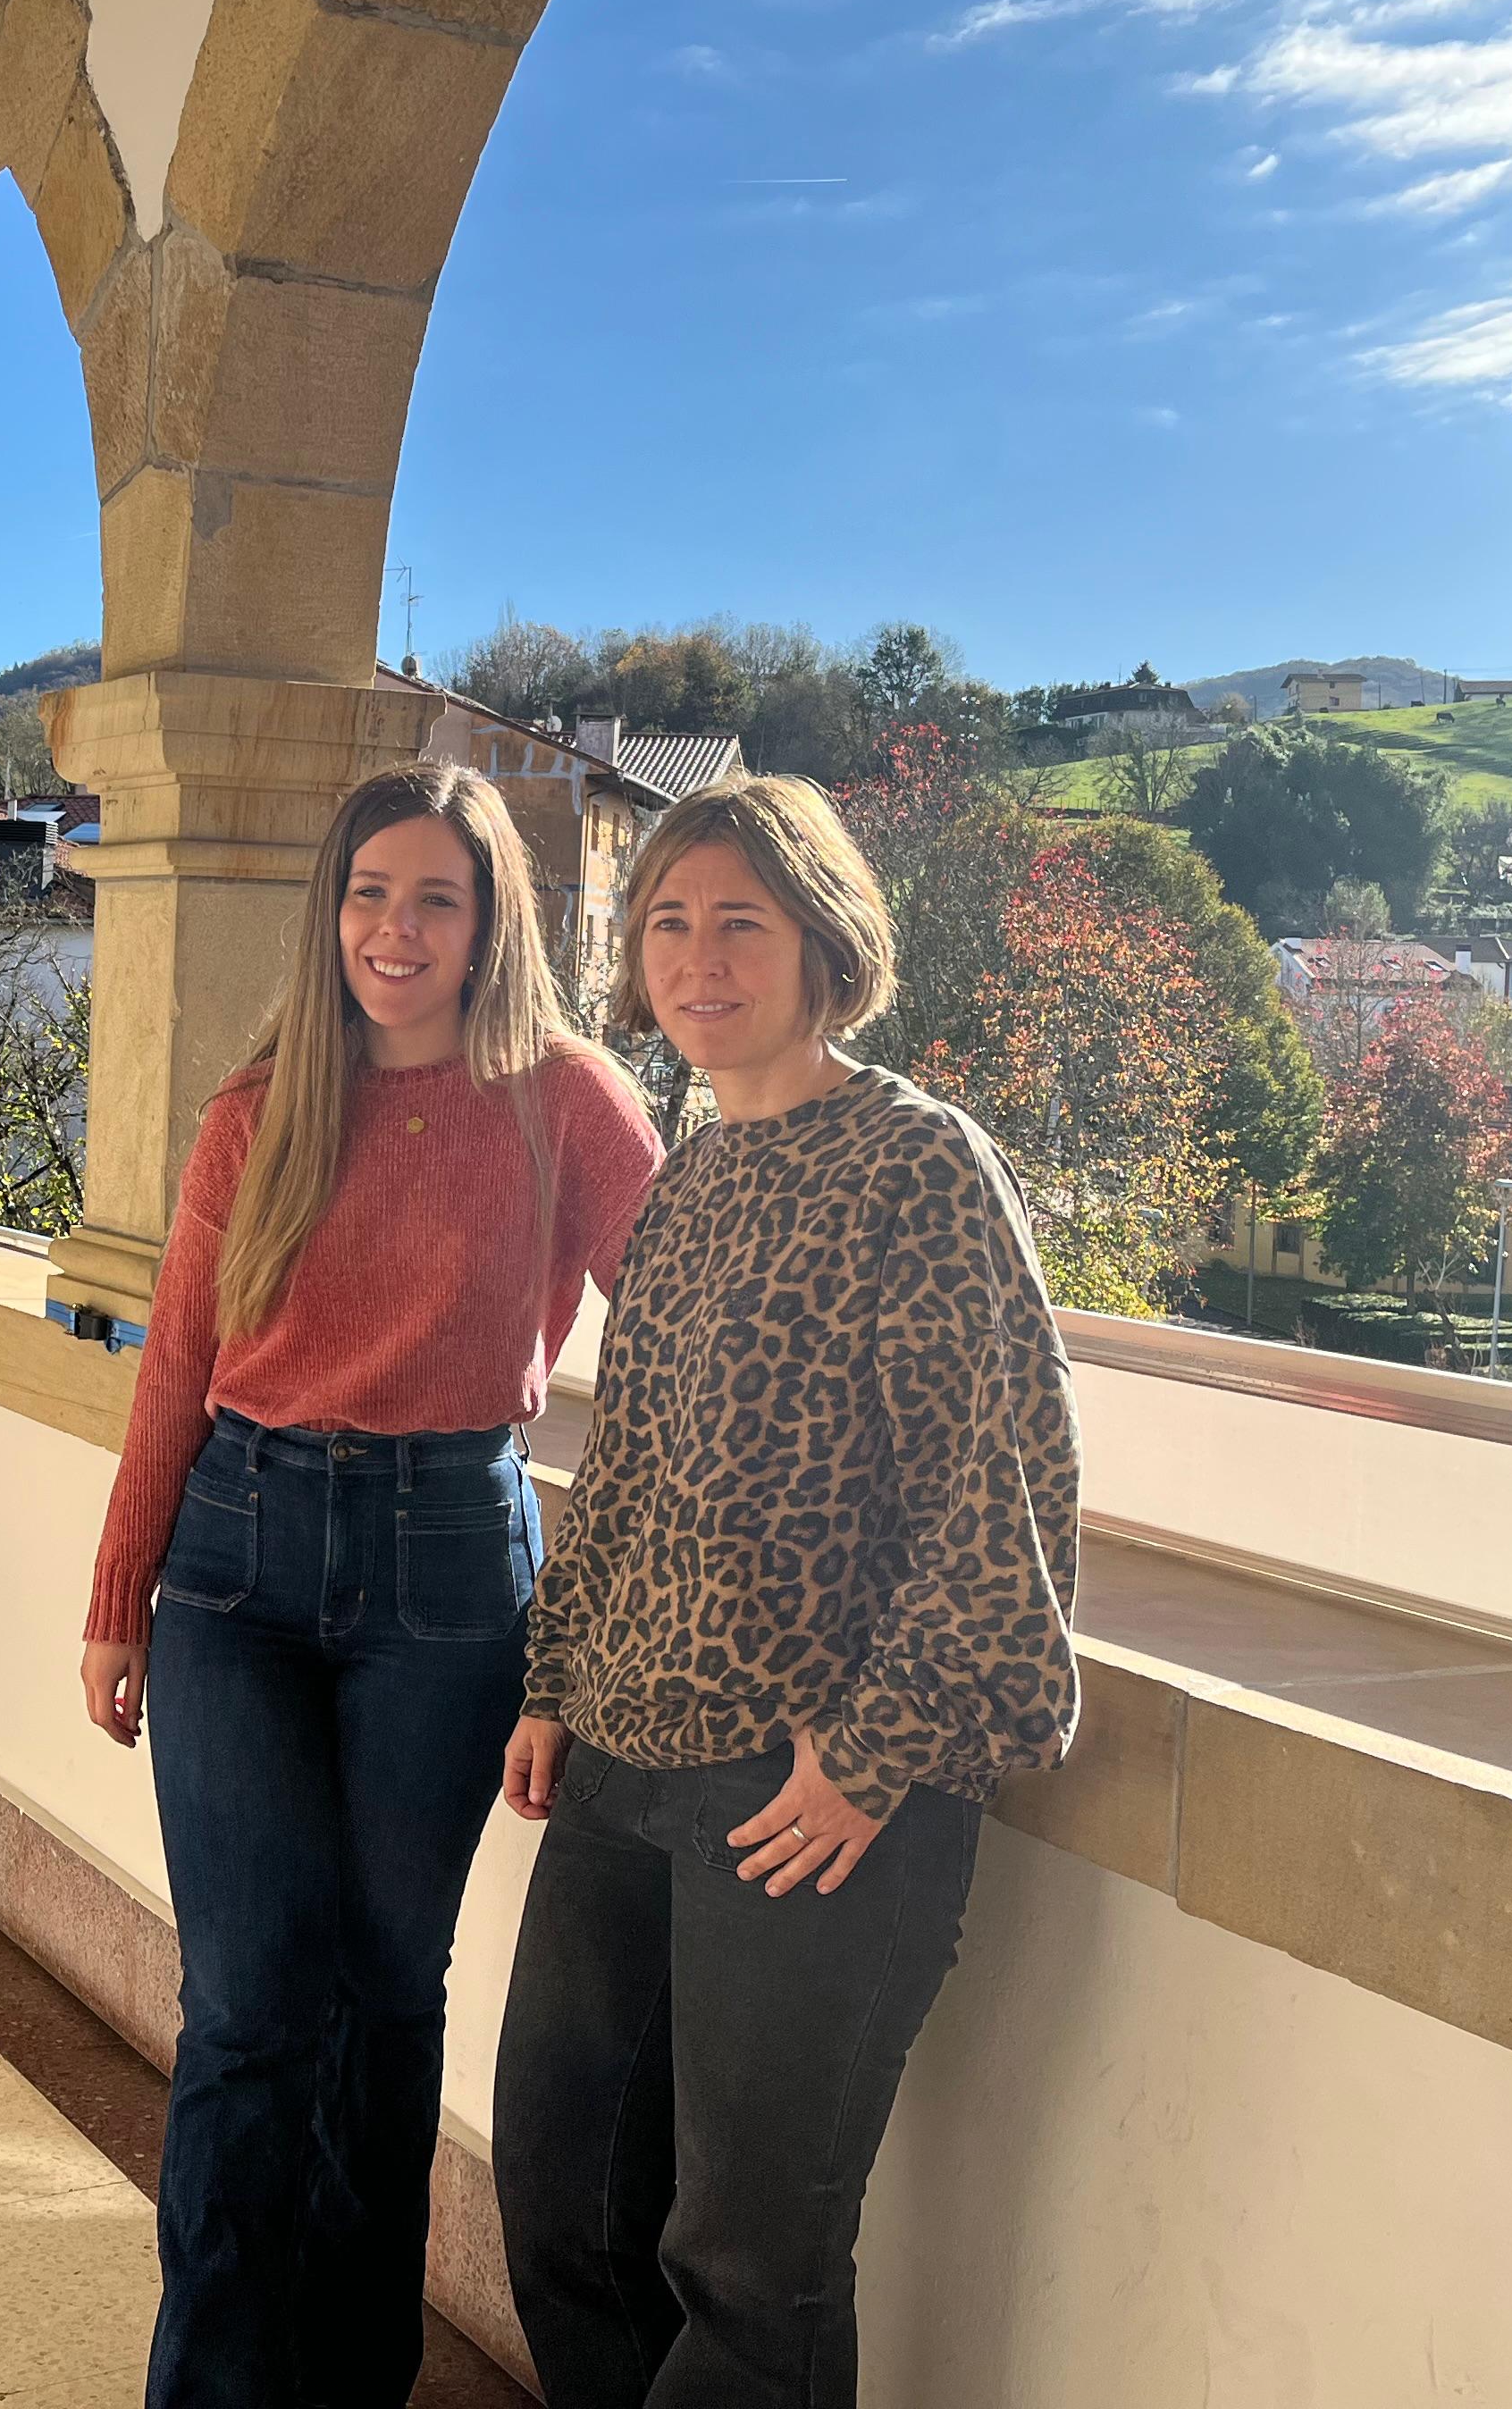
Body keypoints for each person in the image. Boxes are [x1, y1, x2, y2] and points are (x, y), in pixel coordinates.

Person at [80, 760, 663, 2409]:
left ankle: (349, 2382)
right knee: (252, 2006)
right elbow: (178, 1364)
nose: (395, 930)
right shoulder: (260, 1107)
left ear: (491, 923)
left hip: (453, 1571)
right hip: (235, 1568)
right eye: (367, 894)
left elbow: (690, 1333)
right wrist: (120, 1596)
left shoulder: (566, 1100)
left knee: (390, 1999)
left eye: (435, 898)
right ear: (327, 912)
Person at [491, 776, 1080, 2407]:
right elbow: (627, 1469)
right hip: (621, 1767)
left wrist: (871, 1753)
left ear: (826, 944)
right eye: (669, 923)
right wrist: (557, 1682)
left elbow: (1003, 1495)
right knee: (560, 2209)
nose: (698, 958)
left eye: (739, 920)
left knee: (747, 2267)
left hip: (809, 1787)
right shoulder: (685, 1179)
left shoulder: (922, 1169)